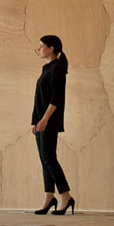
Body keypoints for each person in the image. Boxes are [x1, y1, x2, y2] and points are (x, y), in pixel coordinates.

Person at [31, 35, 75, 215]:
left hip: (49, 120)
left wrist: (44, 119)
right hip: (41, 121)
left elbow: (56, 99)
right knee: (44, 159)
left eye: (41, 46)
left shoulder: (56, 69)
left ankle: (65, 195)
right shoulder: (47, 68)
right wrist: (35, 121)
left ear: (51, 48)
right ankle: (49, 196)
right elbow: (40, 99)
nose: (39, 49)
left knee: (49, 158)